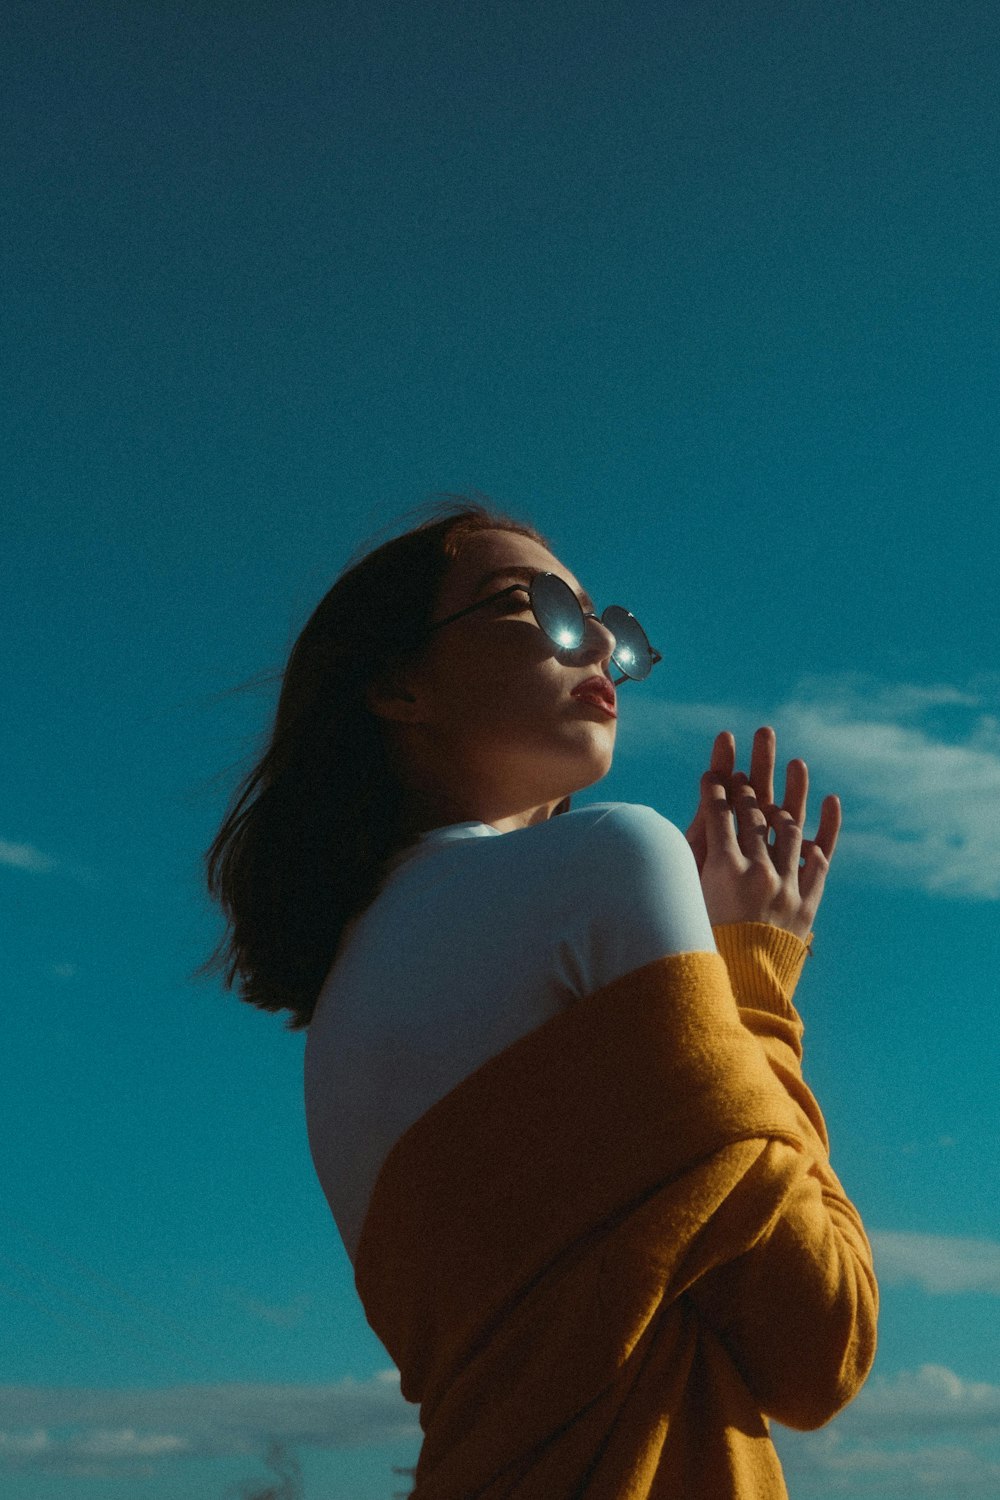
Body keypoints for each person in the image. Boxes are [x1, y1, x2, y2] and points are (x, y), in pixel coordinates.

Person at [198, 494, 878, 1499]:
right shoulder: (612, 857)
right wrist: (756, 978)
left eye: (607, 626)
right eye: (539, 607)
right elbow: (825, 1341)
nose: (597, 642)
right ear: (398, 683)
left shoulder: (336, 1018)